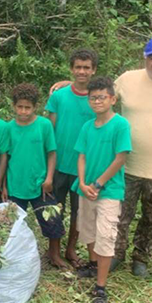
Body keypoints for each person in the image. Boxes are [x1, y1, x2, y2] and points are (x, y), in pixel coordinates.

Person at [51, 37, 152, 277]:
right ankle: (115, 255)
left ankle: (141, 258)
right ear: (145, 58)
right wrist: (75, 83)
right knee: (118, 217)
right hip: (124, 167)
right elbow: (101, 91)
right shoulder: (128, 79)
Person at [72, 76, 132, 303]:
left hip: (109, 191)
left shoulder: (120, 125)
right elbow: (81, 156)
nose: (97, 101)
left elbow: (121, 157)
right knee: (87, 230)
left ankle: (100, 288)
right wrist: (83, 183)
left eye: (101, 97)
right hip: (86, 189)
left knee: (106, 236)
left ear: (112, 99)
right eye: (93, 98)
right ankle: (93, 264)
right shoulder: (87, 127)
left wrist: (98, 183)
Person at [43, 49, 98, 267]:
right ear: (71, 69)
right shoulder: (59, 97)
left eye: (86, 67)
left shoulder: (97, 99)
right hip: (58, 165)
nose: (82, 71)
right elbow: (50, 130)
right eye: (78, 67)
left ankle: (71, 249)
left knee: (79, 212)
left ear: (93, 70)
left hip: (83, 168)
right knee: (54, 209)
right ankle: (53, 250)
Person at [5, 83, 65, 268]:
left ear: (35, 107)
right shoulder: (8, 128)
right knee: (13, 223)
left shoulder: (44, 125)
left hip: (41, 184)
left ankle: (54, 254)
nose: (23, 111)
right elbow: (5, 157)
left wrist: (49, 179)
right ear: (14, 106)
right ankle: (14, 256)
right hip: (15, 184)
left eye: (28, 107)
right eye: (20, 107)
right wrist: (4, 185)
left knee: (52, 220)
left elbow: (51, 153)